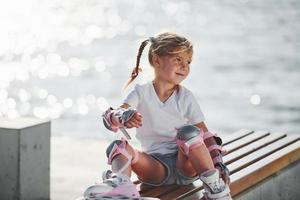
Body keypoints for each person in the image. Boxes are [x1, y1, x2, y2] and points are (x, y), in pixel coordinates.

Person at [83, 32, 232, 200]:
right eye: (178, 60)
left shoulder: (186, 97)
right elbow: (112, 118)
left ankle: (216, 191)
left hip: (186, 165)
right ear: (156, 60)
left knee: (189, 133)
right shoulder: (141, 92)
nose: (185, 66)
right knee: (117, 146)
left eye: (188, 62)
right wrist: (123, 117)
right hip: (155, 167)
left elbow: (205, 134)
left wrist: (219, 164)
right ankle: (121, 186)